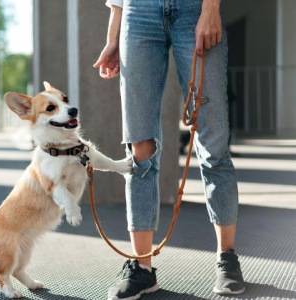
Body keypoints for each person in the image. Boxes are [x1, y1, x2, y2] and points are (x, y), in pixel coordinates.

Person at [93, 0, 246, 299]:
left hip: (195, 8)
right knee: (139, 147)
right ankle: (142, 268)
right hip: (137, 13)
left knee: (213, 145)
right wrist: (113, 37)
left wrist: (211, 8)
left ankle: (227, 257)